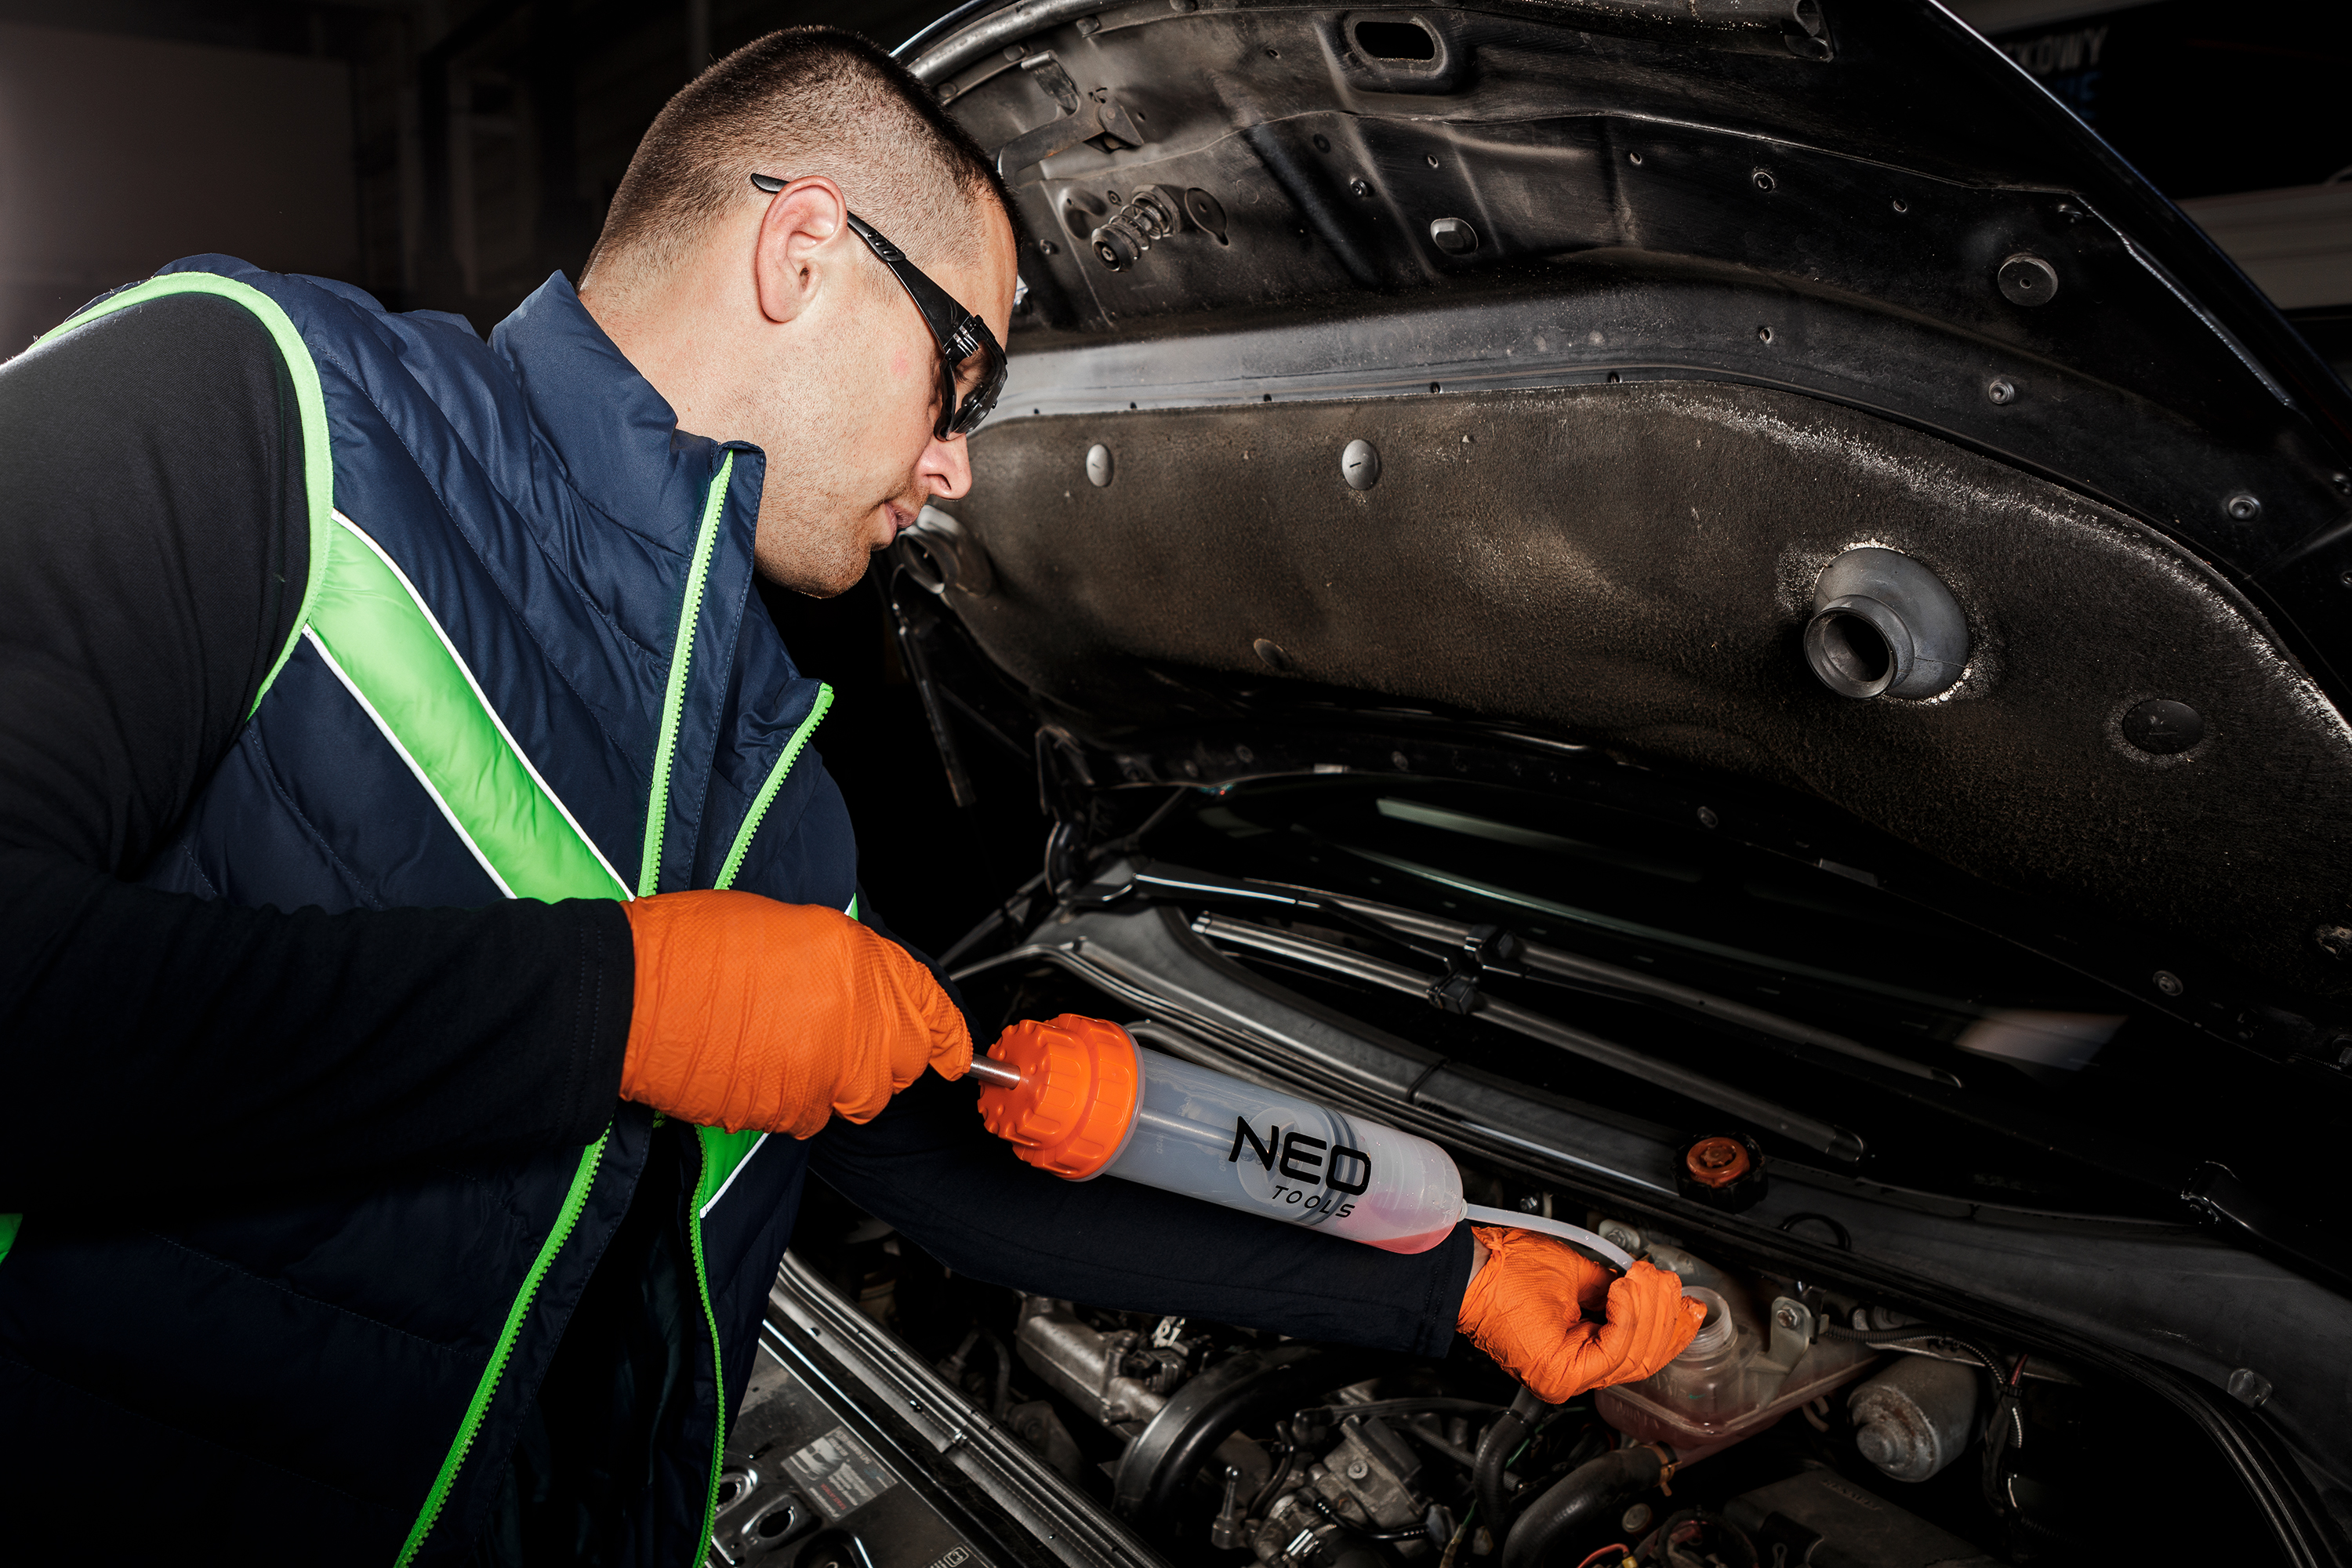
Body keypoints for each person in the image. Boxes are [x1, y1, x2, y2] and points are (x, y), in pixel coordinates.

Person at [0, 27, 1700, 1565]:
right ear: (805, 249)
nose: (956, 462)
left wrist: (1451, 1283)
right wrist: (617, 1006)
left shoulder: (773, 793)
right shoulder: (253, 403)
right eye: (965, 371)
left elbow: (939, 1162)